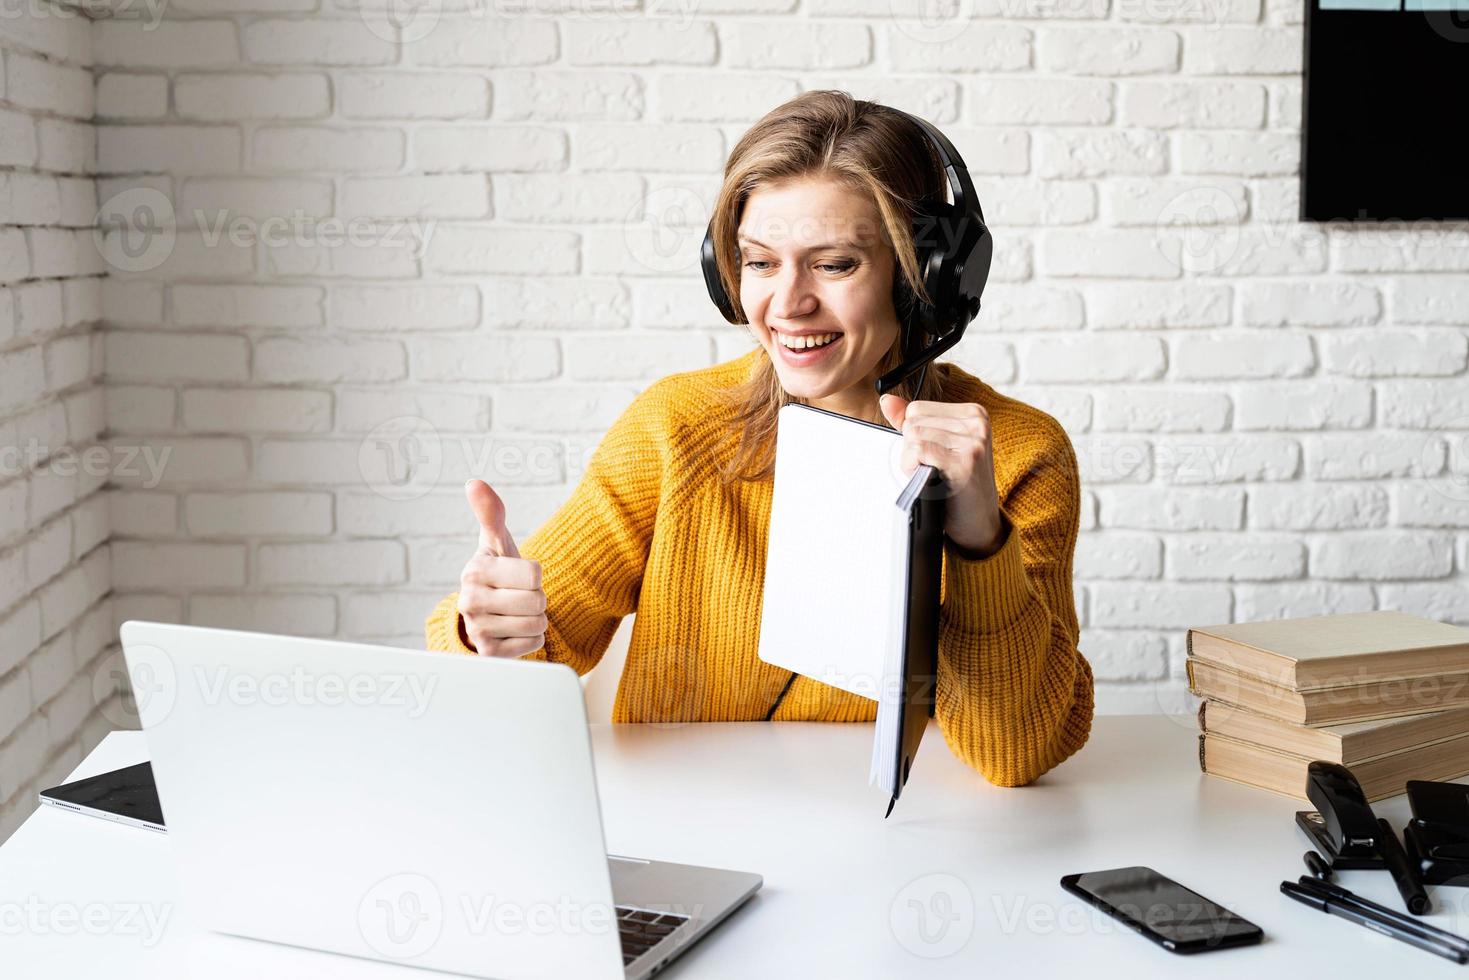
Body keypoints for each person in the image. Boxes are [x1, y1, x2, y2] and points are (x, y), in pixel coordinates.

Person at [426, 90, 1093, 788]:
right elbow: (519, 658)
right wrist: (487, 631)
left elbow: (1016, 751)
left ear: (926, 278)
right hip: (689, 833)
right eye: (760, 262)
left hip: (903, 855)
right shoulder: (676, 427)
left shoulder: (1018, 454)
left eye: (834, 264)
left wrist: (980, 541)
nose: (787, 303)